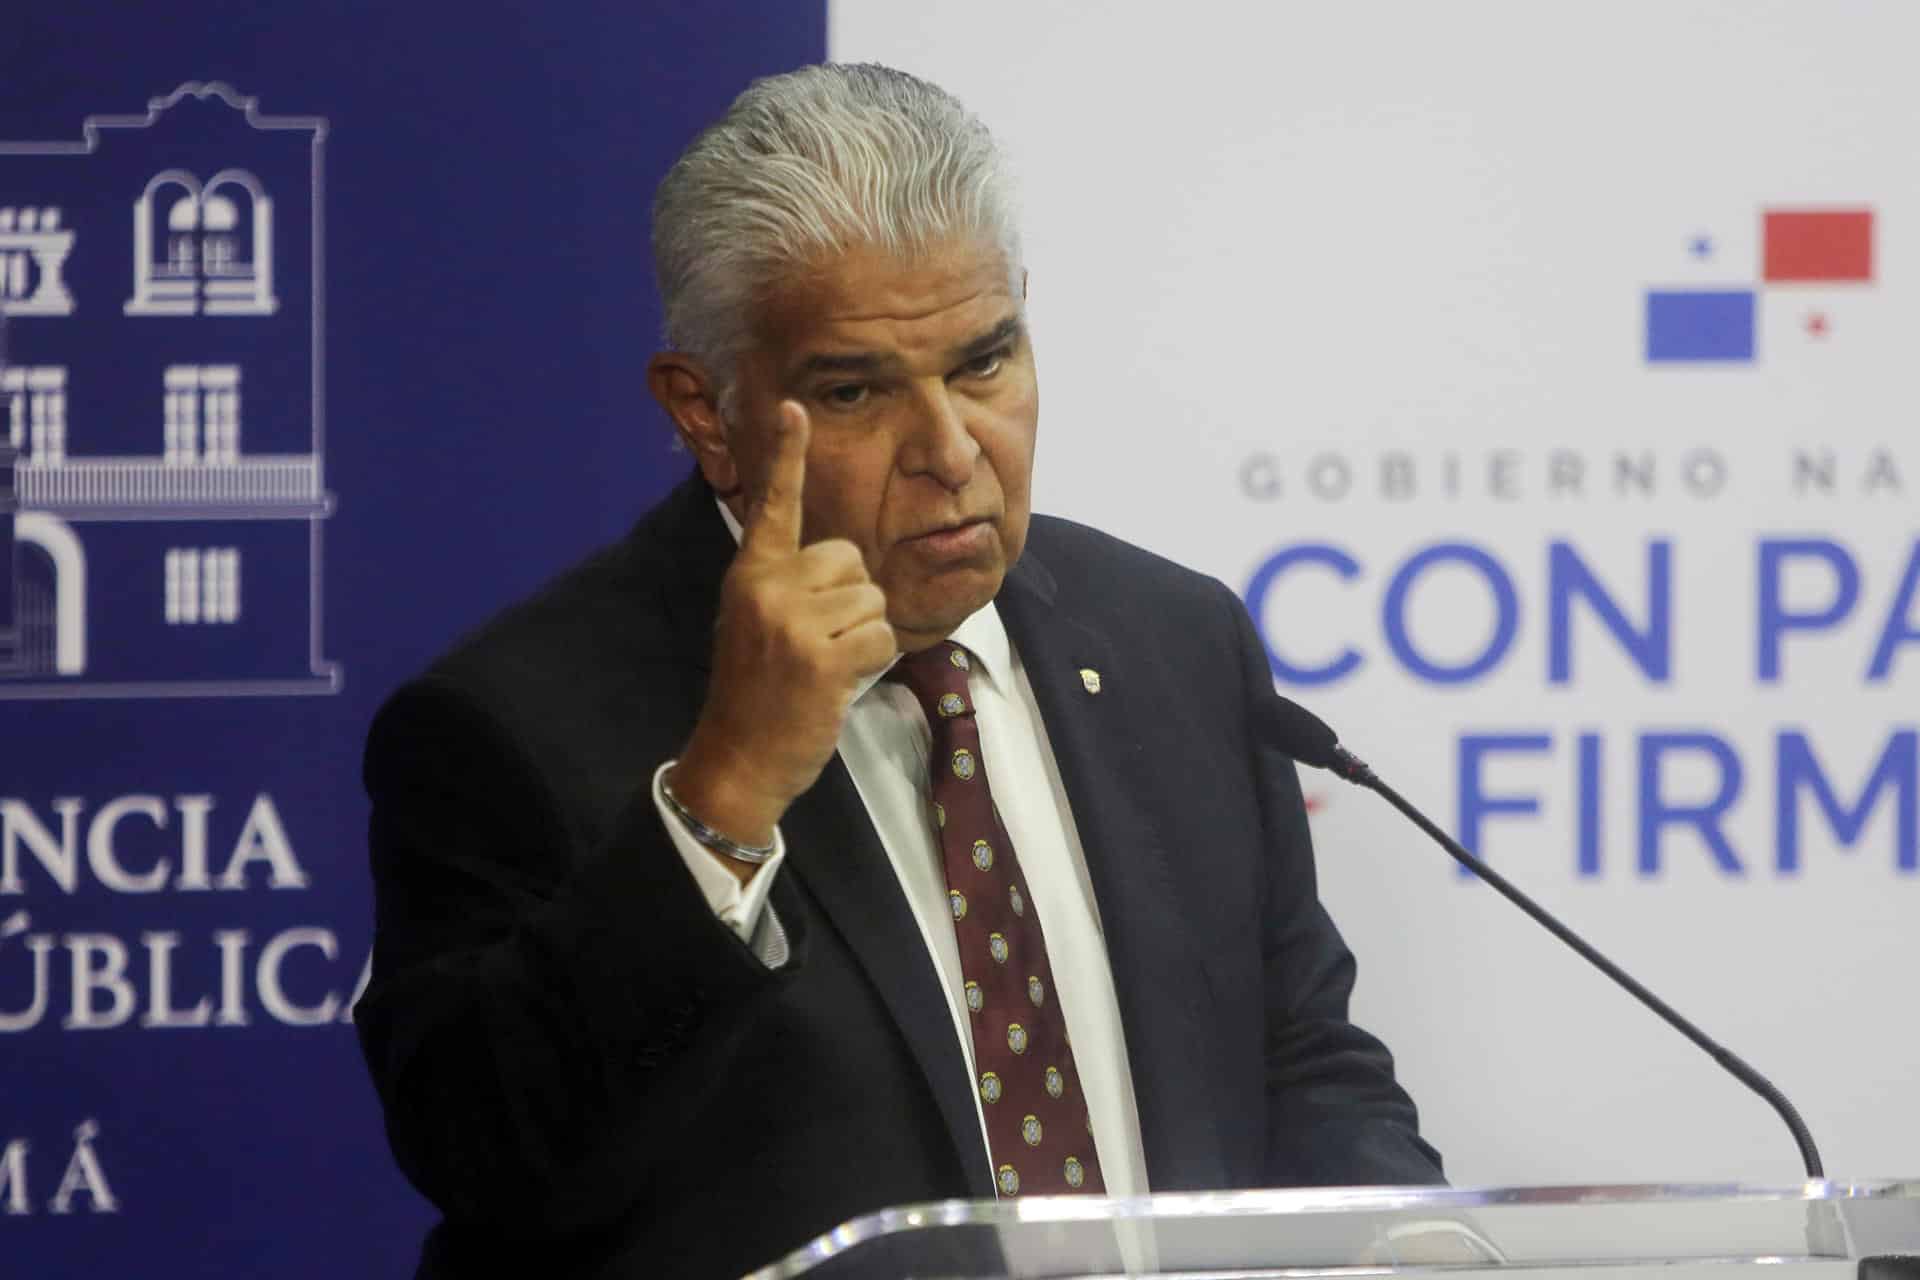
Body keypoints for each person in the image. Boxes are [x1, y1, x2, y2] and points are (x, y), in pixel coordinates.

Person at [355, 62, 1442, 1280]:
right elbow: (494, 1160)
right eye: (857, 389)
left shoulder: (1172, 640)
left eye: (986, 361)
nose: (951, 450)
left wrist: (1406, 1237)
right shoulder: (510, 724)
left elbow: (1296, 1055)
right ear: (706, 411)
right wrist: (723, 796)